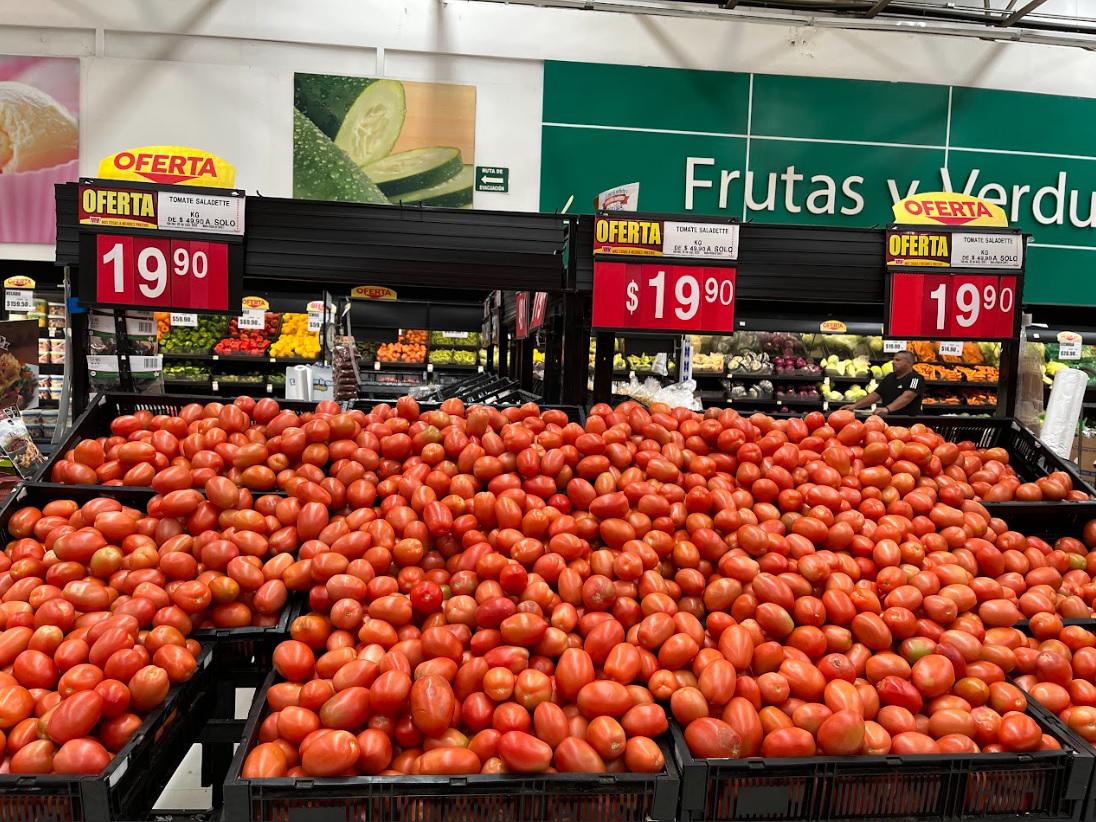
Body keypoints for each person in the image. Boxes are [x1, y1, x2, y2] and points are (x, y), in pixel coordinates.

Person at [840, 350, 924, 415]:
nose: (893, 362)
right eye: (893, 359)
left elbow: (908, 396)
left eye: (897, 360)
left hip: (908, 421)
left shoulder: (916, 378)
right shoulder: (889, 377)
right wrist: (855, 406)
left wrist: (887, 409)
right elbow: (875, 395)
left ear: (909, 363)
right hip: (888, 420)